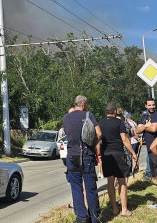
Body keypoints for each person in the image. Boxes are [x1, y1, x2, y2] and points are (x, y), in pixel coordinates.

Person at [62, 95, 102, 223]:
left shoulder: (66, 117)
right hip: (86, 155)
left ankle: (81, 217)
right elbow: (99, 133)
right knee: (90, 187)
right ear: (83, 104)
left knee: (76, 187)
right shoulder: (88, 115)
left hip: (71, 155)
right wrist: (93, 142)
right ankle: (95, 217)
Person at [99, 103, 138, 217]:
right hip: (118, 154)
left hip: (106, 154)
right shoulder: (119, 122)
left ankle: (115, 209)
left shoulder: (100, 123)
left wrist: (99, 156)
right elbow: (124, 139)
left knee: (110, 181)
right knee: (122, 181)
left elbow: (98, 138)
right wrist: (133, 153)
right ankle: (124, 210)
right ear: (115, 112)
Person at [136, 98, 157, 209]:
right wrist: (146, 126)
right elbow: (137, 131)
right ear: (145, 106)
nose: (152, 107)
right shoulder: (144, 118)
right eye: (149, 105)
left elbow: (154, 128)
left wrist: (144, 127)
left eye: (153, 105)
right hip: (151, 150)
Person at [138, 109, 152, 180]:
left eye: (145, 114)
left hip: (154, 139)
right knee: (148, 155)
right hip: (147, 140)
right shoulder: (143, 119)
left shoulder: (153, 118)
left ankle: (149, 171)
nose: (144, 116)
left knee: (149, 156)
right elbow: (139, 130)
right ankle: (149, 171)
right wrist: (141, 137)